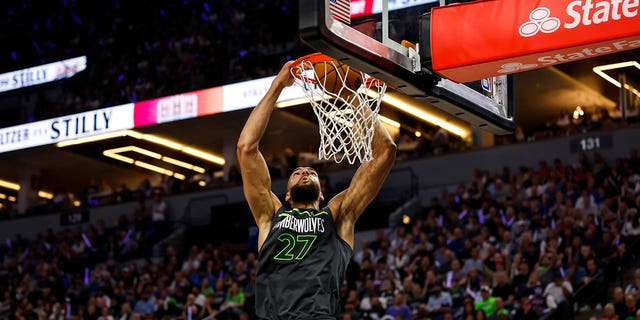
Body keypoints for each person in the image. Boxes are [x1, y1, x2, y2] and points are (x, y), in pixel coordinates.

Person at [236, 61, 397, 319]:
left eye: (311, 172)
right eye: (297, 172)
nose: (305, 171)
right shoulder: (270, 215)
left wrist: (348, 95)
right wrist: (277, 85)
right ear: (286, 195)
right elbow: (246, 148)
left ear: (322, 194)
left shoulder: (338, 215)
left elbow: (385, 153)